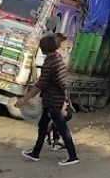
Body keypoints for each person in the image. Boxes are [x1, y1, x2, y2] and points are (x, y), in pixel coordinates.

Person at [17, 33, 79, 166]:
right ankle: (35, 153)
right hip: (51, 101)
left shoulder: (50, 63)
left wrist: (24, 99)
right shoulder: (56, 61)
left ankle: (73, 156)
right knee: (43, 126)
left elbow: (41, 85)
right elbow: (59, 84)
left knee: (62, 129)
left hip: (53, 102)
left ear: (44, 49)